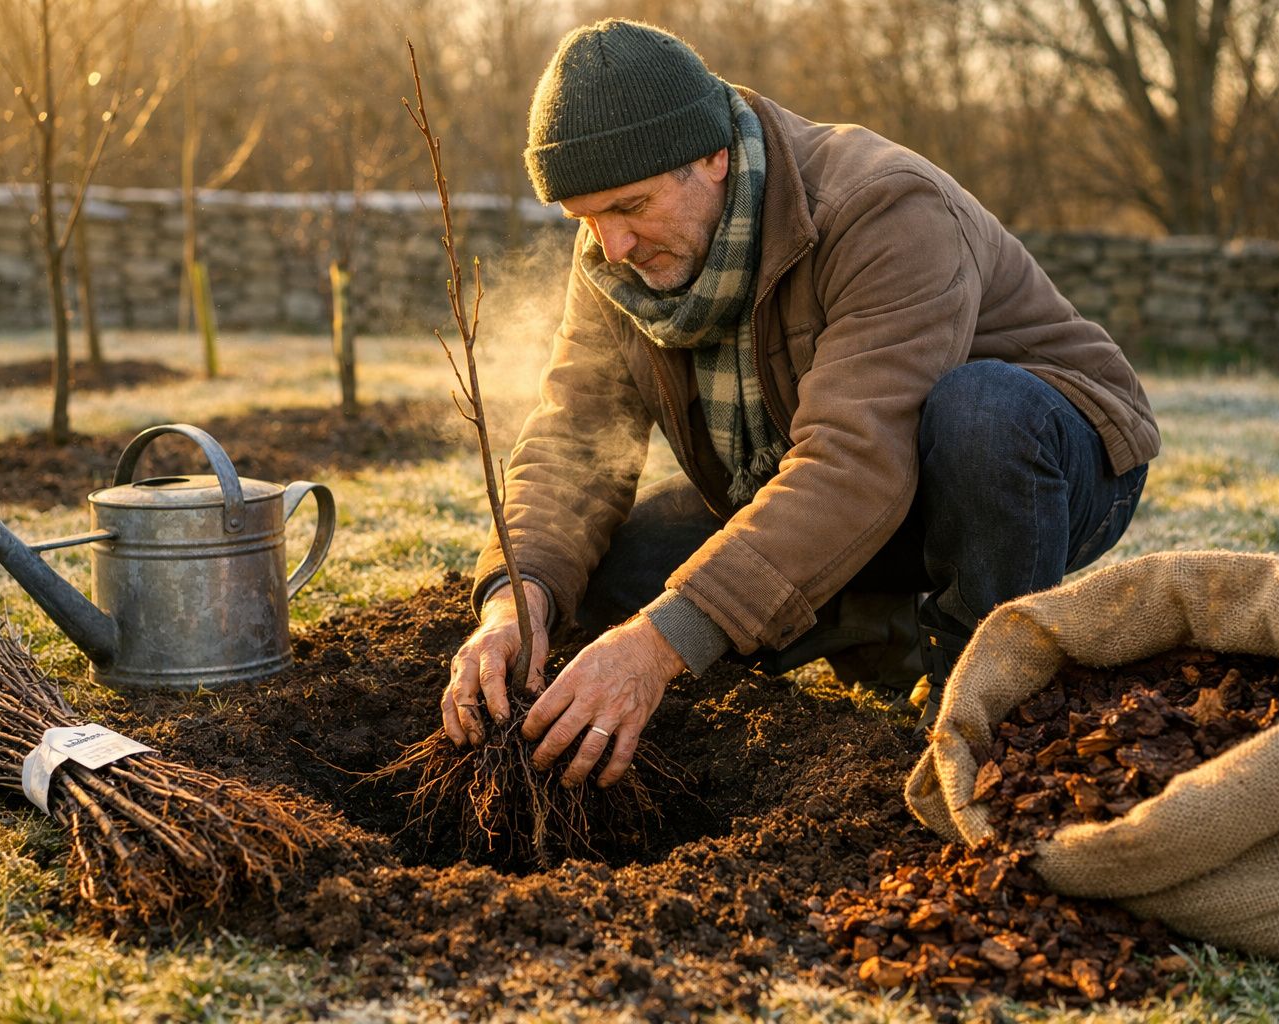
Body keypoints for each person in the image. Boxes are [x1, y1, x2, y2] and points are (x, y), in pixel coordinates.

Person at [441, 18, 1159, 787]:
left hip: (1037, 466)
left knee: (979, 412)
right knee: (618, 581)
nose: (611, 246)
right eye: (585, 219)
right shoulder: (613, 268)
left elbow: (854, 461)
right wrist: (520, 599)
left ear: (713, 157)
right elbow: (572, 445)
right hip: (832, 473)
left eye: (629, 207)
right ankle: (872, 624)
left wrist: (659, 646)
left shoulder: (881, 206)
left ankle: (981, 691)